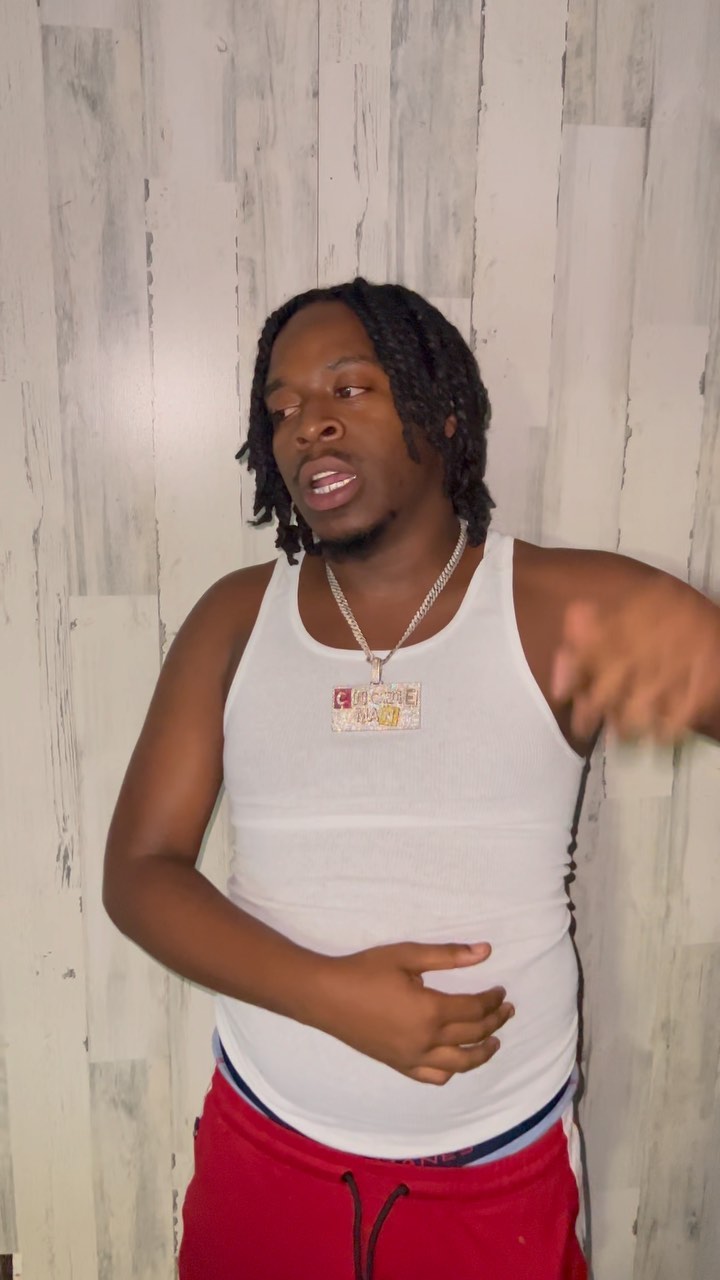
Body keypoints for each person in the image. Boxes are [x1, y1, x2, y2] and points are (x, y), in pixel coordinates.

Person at [103, 279, 720, 1280]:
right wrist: (332, 996)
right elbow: (139, 872)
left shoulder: (563, 605)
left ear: (443, 413)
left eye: (350, 386)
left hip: (492, 1183)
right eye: (283, 408)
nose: (309, 422)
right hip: (263, 1156)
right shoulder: (235, 619)